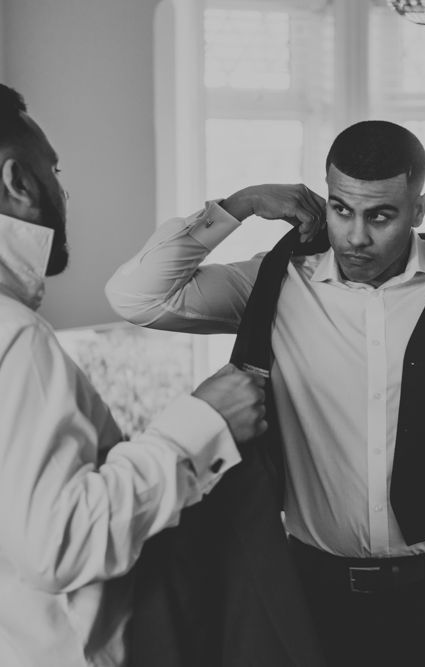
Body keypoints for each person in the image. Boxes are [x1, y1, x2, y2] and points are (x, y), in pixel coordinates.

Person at [106, 120, 425, 666]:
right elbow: (136, 297)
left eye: (381, 215)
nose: (356, 236)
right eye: (341, 209)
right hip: (316, 597)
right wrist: (238, 205)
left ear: (419, 207)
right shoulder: (277, 281)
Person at [0, 84, 270, 666]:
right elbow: (57, 544)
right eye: (54, 168)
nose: (63, 189)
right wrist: (203, 424)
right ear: (18, 183)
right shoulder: (14, 335)